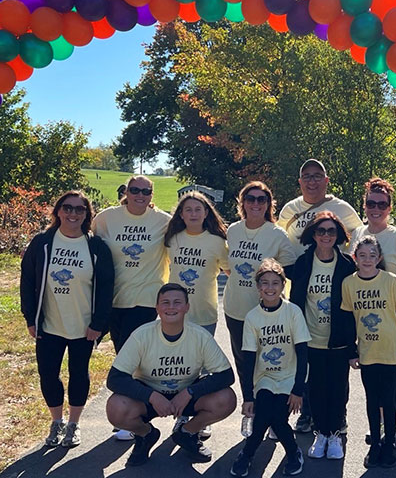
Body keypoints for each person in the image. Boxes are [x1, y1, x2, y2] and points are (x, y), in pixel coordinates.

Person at [20, 191, 115, 448]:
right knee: (48, 374)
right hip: (49, 324)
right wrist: (30, 318)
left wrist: (99, 324)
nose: (73, 213)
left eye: (79, 209)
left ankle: (74, 424)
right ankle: (56, 421)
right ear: (58, 211)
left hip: (84, 327)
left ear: (87, 214)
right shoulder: (42, 243)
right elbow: (27, 281)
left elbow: (107, 288)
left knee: (78, 374)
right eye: (67, 208)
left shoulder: (95, 247)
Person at [105, 284, 236, 467]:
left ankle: (188, 433)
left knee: (227, 398)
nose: (171, 307)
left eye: (177, 302)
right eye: (165, 302)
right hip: (150, 395)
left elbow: (226, 376)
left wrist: (190, 391)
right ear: (157, 308)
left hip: (186, 393)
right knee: (116, 407)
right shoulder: (142, 335)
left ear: (187, 307)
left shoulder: (199, 336)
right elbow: (115, 378)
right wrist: (151, 396)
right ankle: (145, 434)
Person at [277, 159, 362, 432]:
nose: (311, 181)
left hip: (336, 289)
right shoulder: (289, 209)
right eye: (306, 177)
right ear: (299, 181)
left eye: (317, 176)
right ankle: (308, 413)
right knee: (307, 362)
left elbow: (359, 240)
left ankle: (339, 416)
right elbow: (280, 243)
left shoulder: (341, 208)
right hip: (302, 288)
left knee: (336, 368)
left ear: (326, 181)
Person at [94, 175, 172, 440]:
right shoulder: (106, 218)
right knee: (123, 358)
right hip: (117, 301)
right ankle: (130, 412)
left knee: (142, 360)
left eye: (146, 191)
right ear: (126, 191)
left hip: (148, 302)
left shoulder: (163, 221)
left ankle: (133, 417)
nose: (140, 195)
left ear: (152, 194)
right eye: (135, 190)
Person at [347, 177, 396, 446]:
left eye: (382, 203)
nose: (375, 208)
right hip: (370, 319)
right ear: (364, 205)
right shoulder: (357, 234)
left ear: (389, 207)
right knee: (377, 373)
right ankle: (380, 422)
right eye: (370, 203)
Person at [231, 259, 311, 477]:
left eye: (275, 283)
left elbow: (303, 354)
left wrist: (298, 390)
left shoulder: (293, 312)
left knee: (276, 417)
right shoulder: (253, 317)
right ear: (258, 287)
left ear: (283, 285)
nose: (269, 288)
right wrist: (248, 396)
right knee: (266, 415)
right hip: (265, 378)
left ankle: (252, 454)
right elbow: (248, 360)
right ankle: (289, 452)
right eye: (264, 283)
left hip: (289, 377)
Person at [287, 212, 356, 460]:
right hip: (310, 338)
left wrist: (352, 344)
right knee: (315, 389)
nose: (326, 236)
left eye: (331, 231)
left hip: (338, 340)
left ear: (338, 235)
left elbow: (354, 305)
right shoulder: (303, 263)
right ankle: (320, 433)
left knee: (338, 389)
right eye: (321, 231)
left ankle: (335, 433)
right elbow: (295, 301)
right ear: (313, 235)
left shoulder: (348, 265)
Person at [336, 236, 396, 468]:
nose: (367, 260)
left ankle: (389, 445)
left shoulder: (389, 280)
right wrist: (351, 350)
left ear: (379, 259)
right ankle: (375, 444)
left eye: (372, 255)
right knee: (372, 399)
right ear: (355, 258)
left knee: (388, 400)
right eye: (362, 255)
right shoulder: (349, 284)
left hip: (390, 350)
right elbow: (348, 319)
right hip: (367, 351)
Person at [164, 191, 230, 438]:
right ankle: (182, 414)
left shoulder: (217, 241)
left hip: (205, 312)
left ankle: (201, 416)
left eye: (198, 210)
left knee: (203, 367)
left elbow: (230, 272)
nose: (193, 213)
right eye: (188, 210)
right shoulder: (172, 239)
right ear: (181, 214)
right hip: (175, 314)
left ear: (206, 213)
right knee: (182, 366)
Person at [224, 181, 297, 398]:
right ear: (242, 203)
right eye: (250, 199)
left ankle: (273, 414)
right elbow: (228, 267)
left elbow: (290, 271)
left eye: (261, 199)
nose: (255, 203)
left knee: (270, 362)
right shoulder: (233, 230)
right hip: (235, 309)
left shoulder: (277, 234)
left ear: (268, 204)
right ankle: (251, 409)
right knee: (244, 362)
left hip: (266, 313)